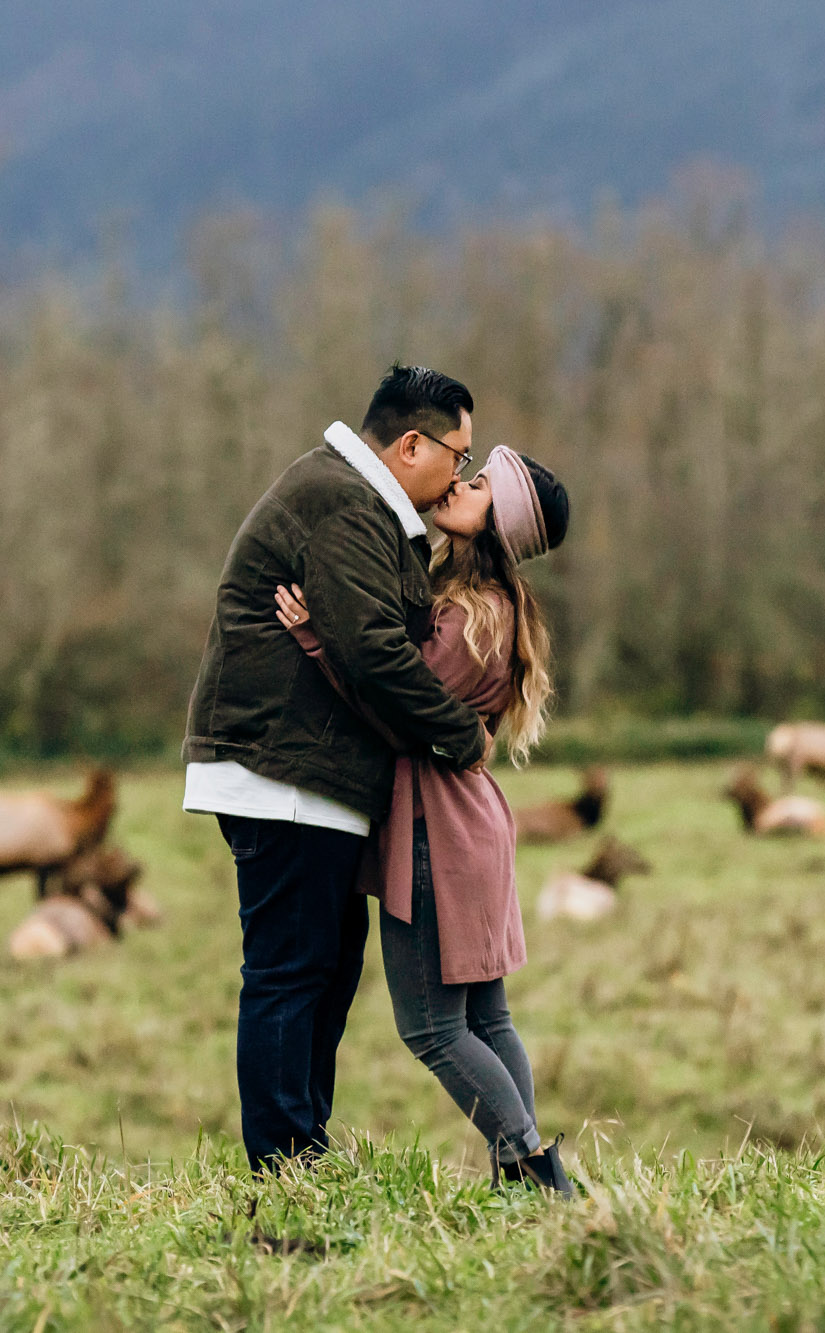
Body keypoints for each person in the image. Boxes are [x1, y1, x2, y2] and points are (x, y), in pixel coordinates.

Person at [182, 365, 490, 1173]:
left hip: (306, 778)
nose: (460, 471)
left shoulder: (361, 506)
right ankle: (284, 1162)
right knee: (291, 967)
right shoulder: (341, 503)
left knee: (325, 963)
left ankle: (302, 1150)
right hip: (279, 771)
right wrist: (463, 735)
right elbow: (376, 654)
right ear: (412, 443)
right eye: (458, 453)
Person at [273, 443, 576, 1193]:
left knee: (435, 1028)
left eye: (477, 486)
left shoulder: (472, 617)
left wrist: (317, 636)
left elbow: (395, 700)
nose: (458, 486)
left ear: (497, 520)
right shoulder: (486, 607)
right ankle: (524, 1174)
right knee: (488, 1016)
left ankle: (535, 1167)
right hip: (468, 824)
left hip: (437, 830)